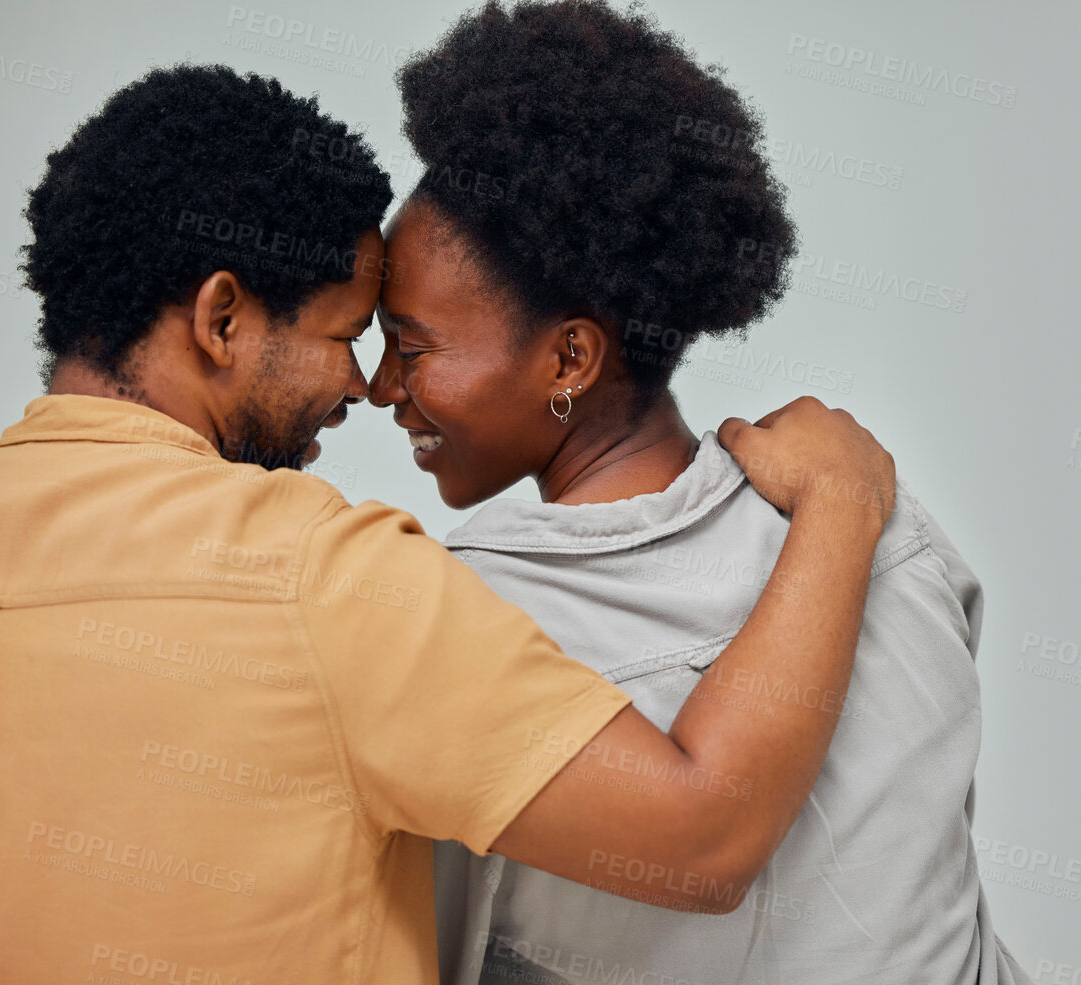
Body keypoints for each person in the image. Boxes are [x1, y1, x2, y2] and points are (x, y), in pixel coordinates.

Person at [0, 64, 897, 985]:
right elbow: (701, 837)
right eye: (346, 333)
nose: (363, 386)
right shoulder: (317, 577)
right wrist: (842, 506)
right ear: (223, 317)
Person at [377, 5, 1032, 983]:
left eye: (411, 346)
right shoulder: (888, 528)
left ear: (570, 356)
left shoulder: (461, 623)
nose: (382, 386)